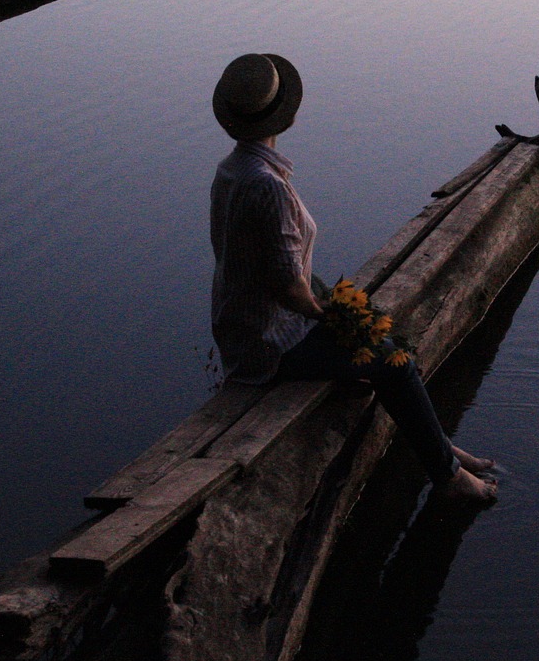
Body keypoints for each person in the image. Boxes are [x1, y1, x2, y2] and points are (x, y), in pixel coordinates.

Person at [209, 53, 497, 502]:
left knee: (379, 343)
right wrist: (329, 317)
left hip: (242, 322)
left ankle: (443, 447)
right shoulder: (266, 184)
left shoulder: (232, 169)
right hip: (269, 343)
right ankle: (448, 476)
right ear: (283, 111)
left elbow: (267, 264)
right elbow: (288, 288)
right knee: (395, 363)